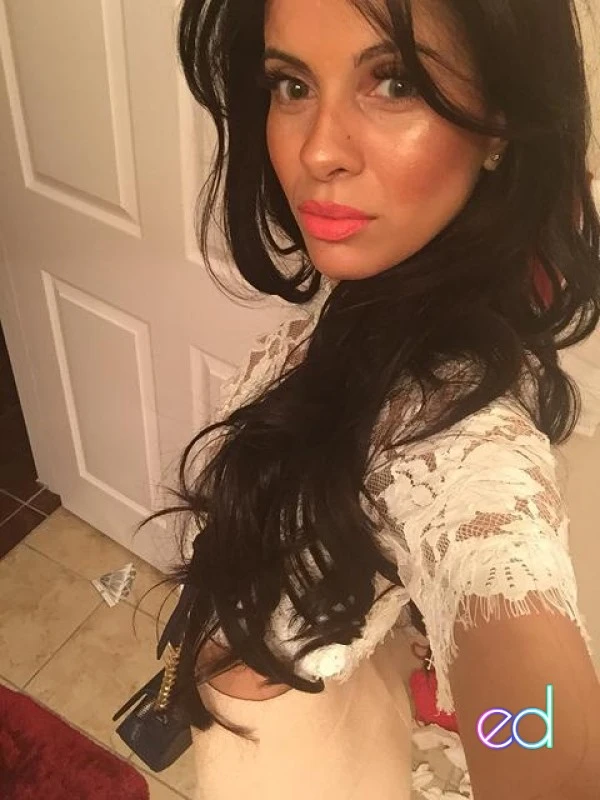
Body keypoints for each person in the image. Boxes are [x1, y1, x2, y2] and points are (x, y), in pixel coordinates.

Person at [135, 0, 600, 797]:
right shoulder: (373, 301)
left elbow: (544, 737)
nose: (317, 150)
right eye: (291, 85)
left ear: (498, 125)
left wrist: (525, 736)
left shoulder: (460, 447)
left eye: (394, 82)